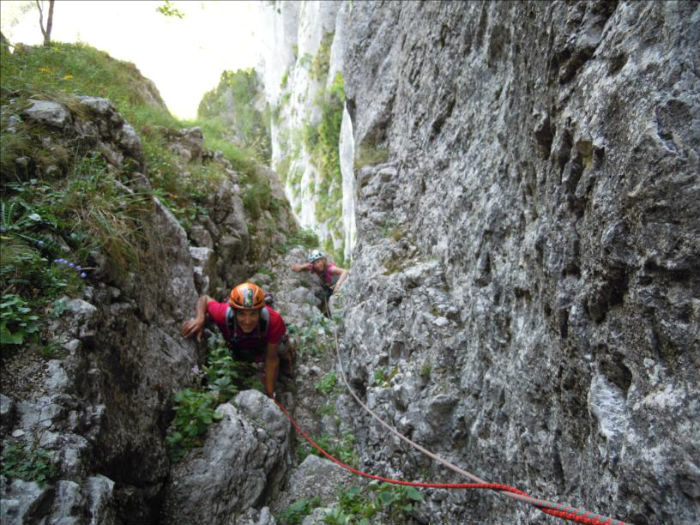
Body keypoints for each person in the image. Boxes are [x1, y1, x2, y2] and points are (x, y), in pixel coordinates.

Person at [181, 282, 293, 398]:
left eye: (253, 314)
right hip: (239, 344)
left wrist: (270, 393)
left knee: (281, 346)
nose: (247, 320)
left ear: (260, 312)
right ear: (234, 312)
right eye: (241, 314)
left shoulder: (273, 321)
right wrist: (200, 318)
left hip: (261, 342)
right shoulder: (223, 314)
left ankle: (286, 358)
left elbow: (271, 358)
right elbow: (204, 299)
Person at [290, 250, 348, 316]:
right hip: (331, 287)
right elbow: (308, 266)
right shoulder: (315, 268)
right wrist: (300, 267)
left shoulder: (330, 269)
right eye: (314, 263)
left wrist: (338, 285)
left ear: (323, 260)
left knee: (333, 301)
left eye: (318, 262)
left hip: (342, 284)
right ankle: (326, 313)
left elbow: (345, 271)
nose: (317, 265)